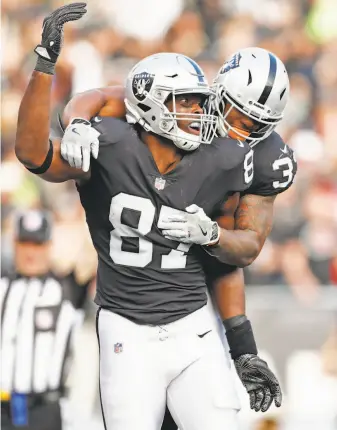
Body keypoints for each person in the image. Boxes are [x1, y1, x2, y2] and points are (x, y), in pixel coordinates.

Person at [15, 4, 281, 429]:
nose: (201, 112)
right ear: (153, 106)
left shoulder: (223, 159)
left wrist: (242, 345)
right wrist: (45, 66)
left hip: (192, 323)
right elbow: (32, 153)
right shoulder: (111, 145)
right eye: (188, 102)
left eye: (201, 101)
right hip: (127, 327)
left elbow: (236, 256)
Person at [0, 210, 92, 430]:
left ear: (49, 245)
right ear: (14, 244)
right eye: (25, 243)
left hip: (44, 411)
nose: (31, 252)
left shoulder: (66, 288)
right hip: (3, 408)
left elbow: (95, 252)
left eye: (38, 244)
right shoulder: (3, 287)